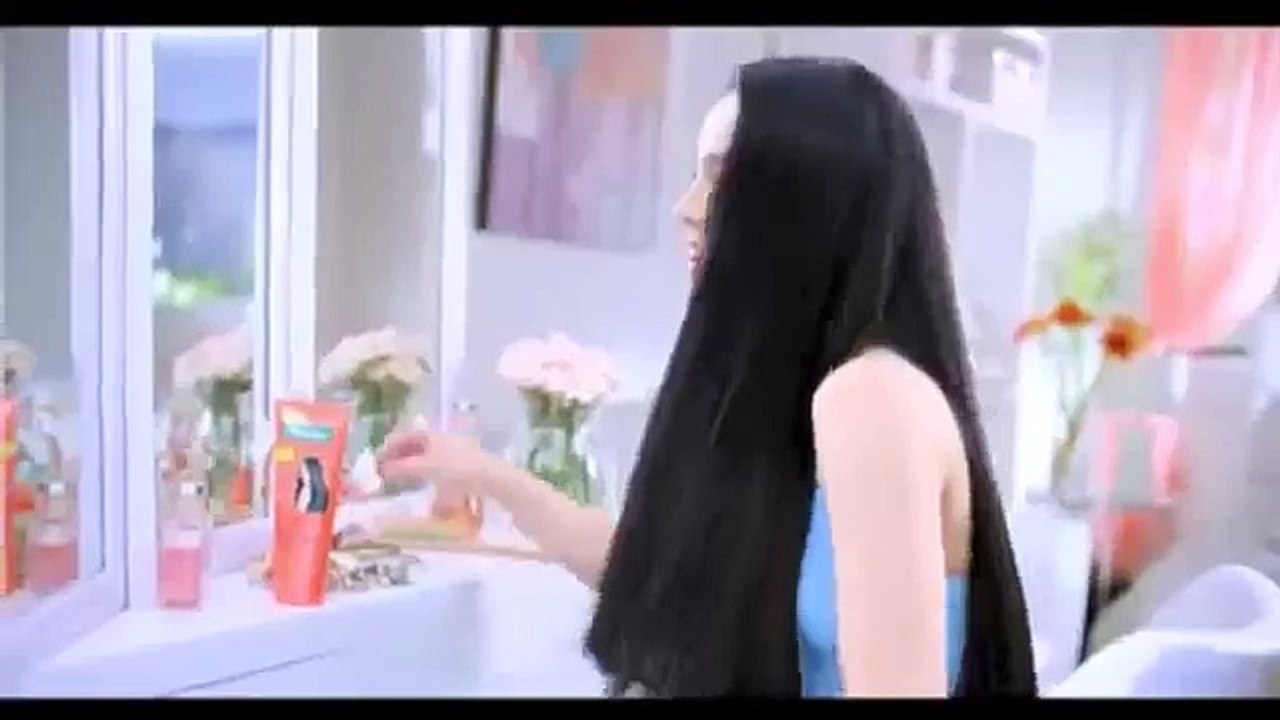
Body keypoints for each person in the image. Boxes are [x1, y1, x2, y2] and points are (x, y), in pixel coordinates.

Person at [379, 56, 1037, 698]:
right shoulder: (816, 394)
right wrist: (486, 475)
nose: (686, 207)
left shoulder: (872, 398)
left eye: (721, 179)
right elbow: (657, 576)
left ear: (805, 203)